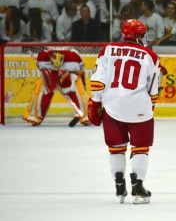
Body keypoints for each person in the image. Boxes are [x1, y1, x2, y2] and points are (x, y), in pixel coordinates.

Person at [88, 19, 160, 204]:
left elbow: (97, 81)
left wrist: (95, 102)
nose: (144, 37)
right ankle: (138, 187)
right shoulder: (150, 56)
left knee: (116, 149)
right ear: (136, 35)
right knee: (140, 149)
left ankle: (119, 184)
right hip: (139, 109)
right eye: (142, 34)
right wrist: (149, 108)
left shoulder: (108, 50)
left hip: (112, 108)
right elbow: (153, 91)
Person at [23, 48, 89, 126]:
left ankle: (86, 116)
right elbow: (41, 69)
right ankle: (35, 117)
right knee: (44, 92)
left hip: (68, 73)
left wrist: (82, 84)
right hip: (51, 73)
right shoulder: (42, 58)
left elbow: (80, 73)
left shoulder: (74, 58)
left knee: (76, 92)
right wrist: (52, 77)